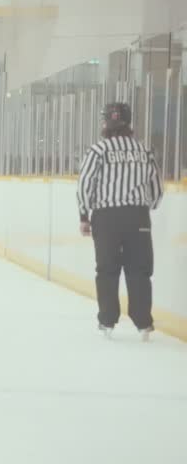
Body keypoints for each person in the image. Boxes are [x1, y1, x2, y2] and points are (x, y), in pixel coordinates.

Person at [78, 102, 163, 340]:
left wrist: (84, 215)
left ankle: (107, 321)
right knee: (139, 269)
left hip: (106, 217)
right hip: (138, 215)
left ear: (106, 122)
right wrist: (147, 206)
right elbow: (156, 188)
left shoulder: (98, 150)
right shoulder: (144, 150)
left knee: (107, 269)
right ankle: (143, 324)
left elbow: (85, 184)